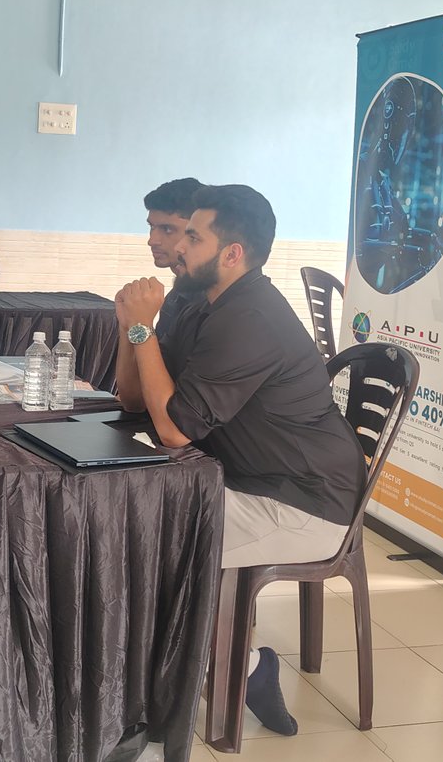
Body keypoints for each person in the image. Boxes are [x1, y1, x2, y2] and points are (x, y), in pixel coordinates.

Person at [112, 184, 364, 738]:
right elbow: (136, 400)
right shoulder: (206, 304)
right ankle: (245, 669)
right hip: (246, 481)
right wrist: (132, 328)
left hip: (301, 503)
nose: (178, 247)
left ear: (232, 253)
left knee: (141, 543)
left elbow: (174, 430)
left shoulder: (250, 317)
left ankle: (146, 712)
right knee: (127, 517)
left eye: (192, 237)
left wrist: (141, 328)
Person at [141, 177, 204, 347]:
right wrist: (128, 325)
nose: (152, 240)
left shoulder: (212, 302)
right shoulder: (175, 296)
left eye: (167, 229)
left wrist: (141, 325)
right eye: (151, 227)